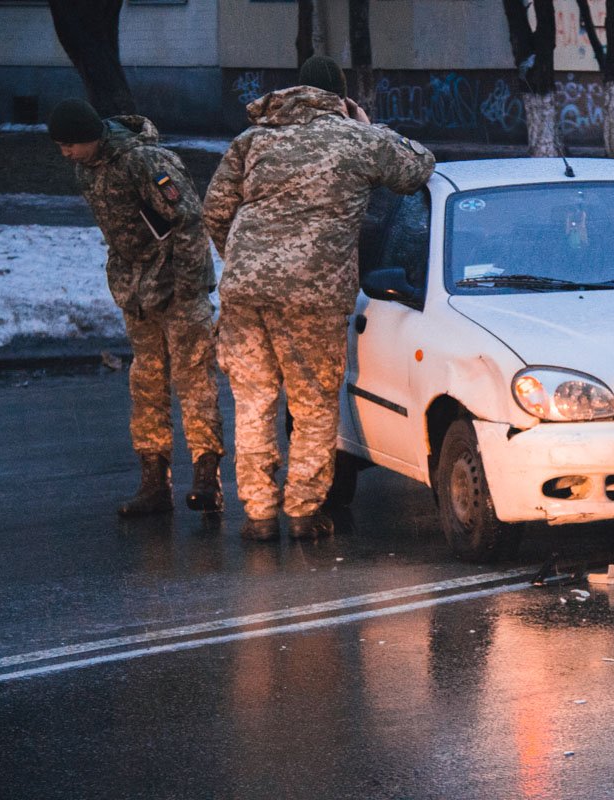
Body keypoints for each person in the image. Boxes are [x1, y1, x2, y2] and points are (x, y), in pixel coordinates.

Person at [203, 56, 435, 542]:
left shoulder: (253, 140)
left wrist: (247, 260)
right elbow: (417, 167)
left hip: (246, 291)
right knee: (311, 404)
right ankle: (305, 512)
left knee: (253, 402)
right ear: (343, 98)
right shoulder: (357, 139)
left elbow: (215, 210)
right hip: (313, 295)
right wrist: (374, 128)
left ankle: (259, 515)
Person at [49, 99, 224, 518]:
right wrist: (126, 279)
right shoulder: (87, 169)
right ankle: (153, 483)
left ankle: (206, 478)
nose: (66, 153)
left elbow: (188, 220)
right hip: (137, 292)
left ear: (92, 135)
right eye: (61, 146)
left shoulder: (147, 162)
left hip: (179, 288)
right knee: (146, 383)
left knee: (194, 378)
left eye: (71, 144)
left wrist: (185, 285)